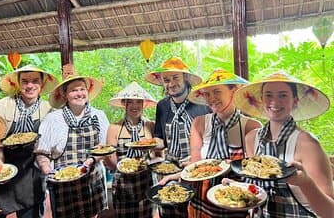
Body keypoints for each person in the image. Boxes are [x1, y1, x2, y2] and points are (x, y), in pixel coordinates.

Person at [160, 69, 262, 218]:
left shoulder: (251, 126)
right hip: (202, 200)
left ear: (233, 91)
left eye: (216, 91)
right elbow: (195, 166)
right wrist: (179, 174)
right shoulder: (199, 123)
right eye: (207, 94)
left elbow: (255, 171)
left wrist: (233, 165)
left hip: (236, 202)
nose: (211, 98)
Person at [234, 72, 334, 217]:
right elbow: (257, 190)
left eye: (283, 95)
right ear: (261, 99)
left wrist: (305, 183)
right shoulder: (252, 138)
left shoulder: (308, 143)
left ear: (295, 100)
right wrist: (237, 187)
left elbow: (330, 212)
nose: (274, 102)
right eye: (268, 95)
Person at [0, 65, 58, 218]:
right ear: (17, 83)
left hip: (30, 173)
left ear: (42, 83)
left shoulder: (49, 110)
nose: (30, 86)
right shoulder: (1, 107)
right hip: (0, 166)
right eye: (25, 81)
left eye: (35, 81)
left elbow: (48, 147)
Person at [34, 75, 110, 218]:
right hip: (63, 183)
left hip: (92, 179)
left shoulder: (99, 115)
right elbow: (42, 151)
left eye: (82, 89)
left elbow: (105, 147)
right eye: (74, 90)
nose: (79, 93)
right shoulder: (53, 118)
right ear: (64, 94)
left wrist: (92, 160)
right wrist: (48, 171)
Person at [145, 57, 210, 217]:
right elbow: (161, 140)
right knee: (169, 211)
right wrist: (148, 144)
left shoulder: (203, 104)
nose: (171, 83)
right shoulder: (162, 105)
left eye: (176, 78)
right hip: (169, 168)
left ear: (186, 78)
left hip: (197, 168)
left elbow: (211, 140)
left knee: (194, 211)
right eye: (166, 80)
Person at [104, 81, 157, 217]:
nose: (135, 106)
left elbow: (158, 155)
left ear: (143, 104)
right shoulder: (114, 128)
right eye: (130, 102)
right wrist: (106, 156)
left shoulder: (151, 125)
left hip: (147, 183)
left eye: (138, 102)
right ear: (124, 104)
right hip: (123, 185)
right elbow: (111, 164)